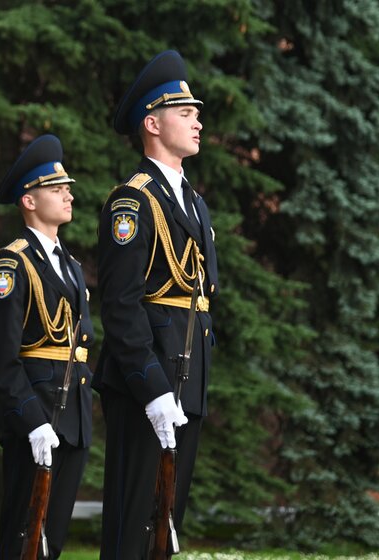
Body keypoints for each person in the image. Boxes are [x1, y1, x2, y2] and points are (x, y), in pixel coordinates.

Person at [94, 50, 219, 558]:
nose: (198, 122)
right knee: (132, 530)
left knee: (164, 530)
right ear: (152, 123)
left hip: (188, 377)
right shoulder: (133, 201)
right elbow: (121, 306)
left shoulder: (194, 202)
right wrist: (153, 390)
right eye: (185, 113)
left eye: (196, 114)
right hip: (148, 383)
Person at [0, 134, 95, 559]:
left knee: (52, 540)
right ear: (28, 200)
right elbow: (3, 358)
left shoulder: (71, 266)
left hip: (73, 416)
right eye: (56, 189)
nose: (68, 195)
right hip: (36, 416)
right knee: (22, 537)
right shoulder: (11, 263)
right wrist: (33, 422)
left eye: (67, 188)